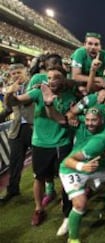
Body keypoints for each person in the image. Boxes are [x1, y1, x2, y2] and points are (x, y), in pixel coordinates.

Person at [5, 66, 76, 226]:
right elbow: (15, 102)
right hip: (40, 143)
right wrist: (10, 93)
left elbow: (66, 119)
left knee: (65, 177)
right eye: (49, 77)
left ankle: (67, 205)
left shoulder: (70, 96)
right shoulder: (38, 92)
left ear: (64, 79)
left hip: (62, 143)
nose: (51, 81)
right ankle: (38, 209)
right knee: (39, 177)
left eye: (56, 77)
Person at [59, 118, 105, 243]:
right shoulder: (98, 142)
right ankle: (73, 238)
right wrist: (82, 166)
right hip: (72, 169)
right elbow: (68, 161)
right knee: (80, 204)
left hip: (93, 170)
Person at [0, 64, 34, 203]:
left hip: (34, 128)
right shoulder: (11, 89)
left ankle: (48, 188)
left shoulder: (33, 84)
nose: (15, 75)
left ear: (25, 72)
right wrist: (9, 93)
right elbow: (8, 109)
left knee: (40, 162)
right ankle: (12, 190)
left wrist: (13, 93)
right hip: (17, 130)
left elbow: (28, 101)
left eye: (18, 72)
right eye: (13, 73)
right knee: (15, 163)